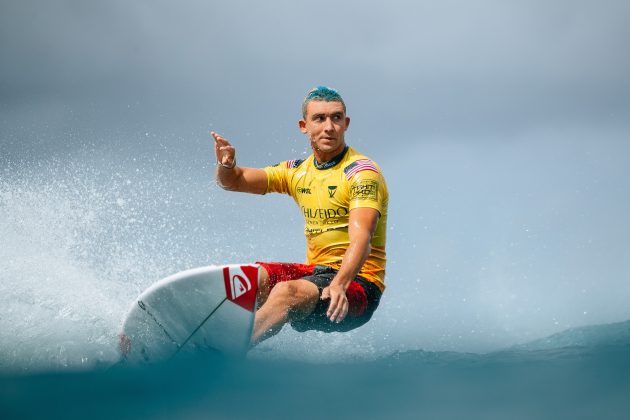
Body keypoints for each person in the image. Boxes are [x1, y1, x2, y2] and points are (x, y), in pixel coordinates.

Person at [212, 86, 388, 346]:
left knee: (285, 291)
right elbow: (234, 181)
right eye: (319, 118)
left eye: (336, 118)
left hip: (357, 288)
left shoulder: (361, 173)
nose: (329, 126)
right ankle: (201, 334)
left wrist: (340, 284)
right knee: (251, 277)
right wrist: (226, 165)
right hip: (315, 275)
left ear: (346, 124)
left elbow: (362, 239)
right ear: (303, 125)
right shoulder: (297, 172)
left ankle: (227, 351)